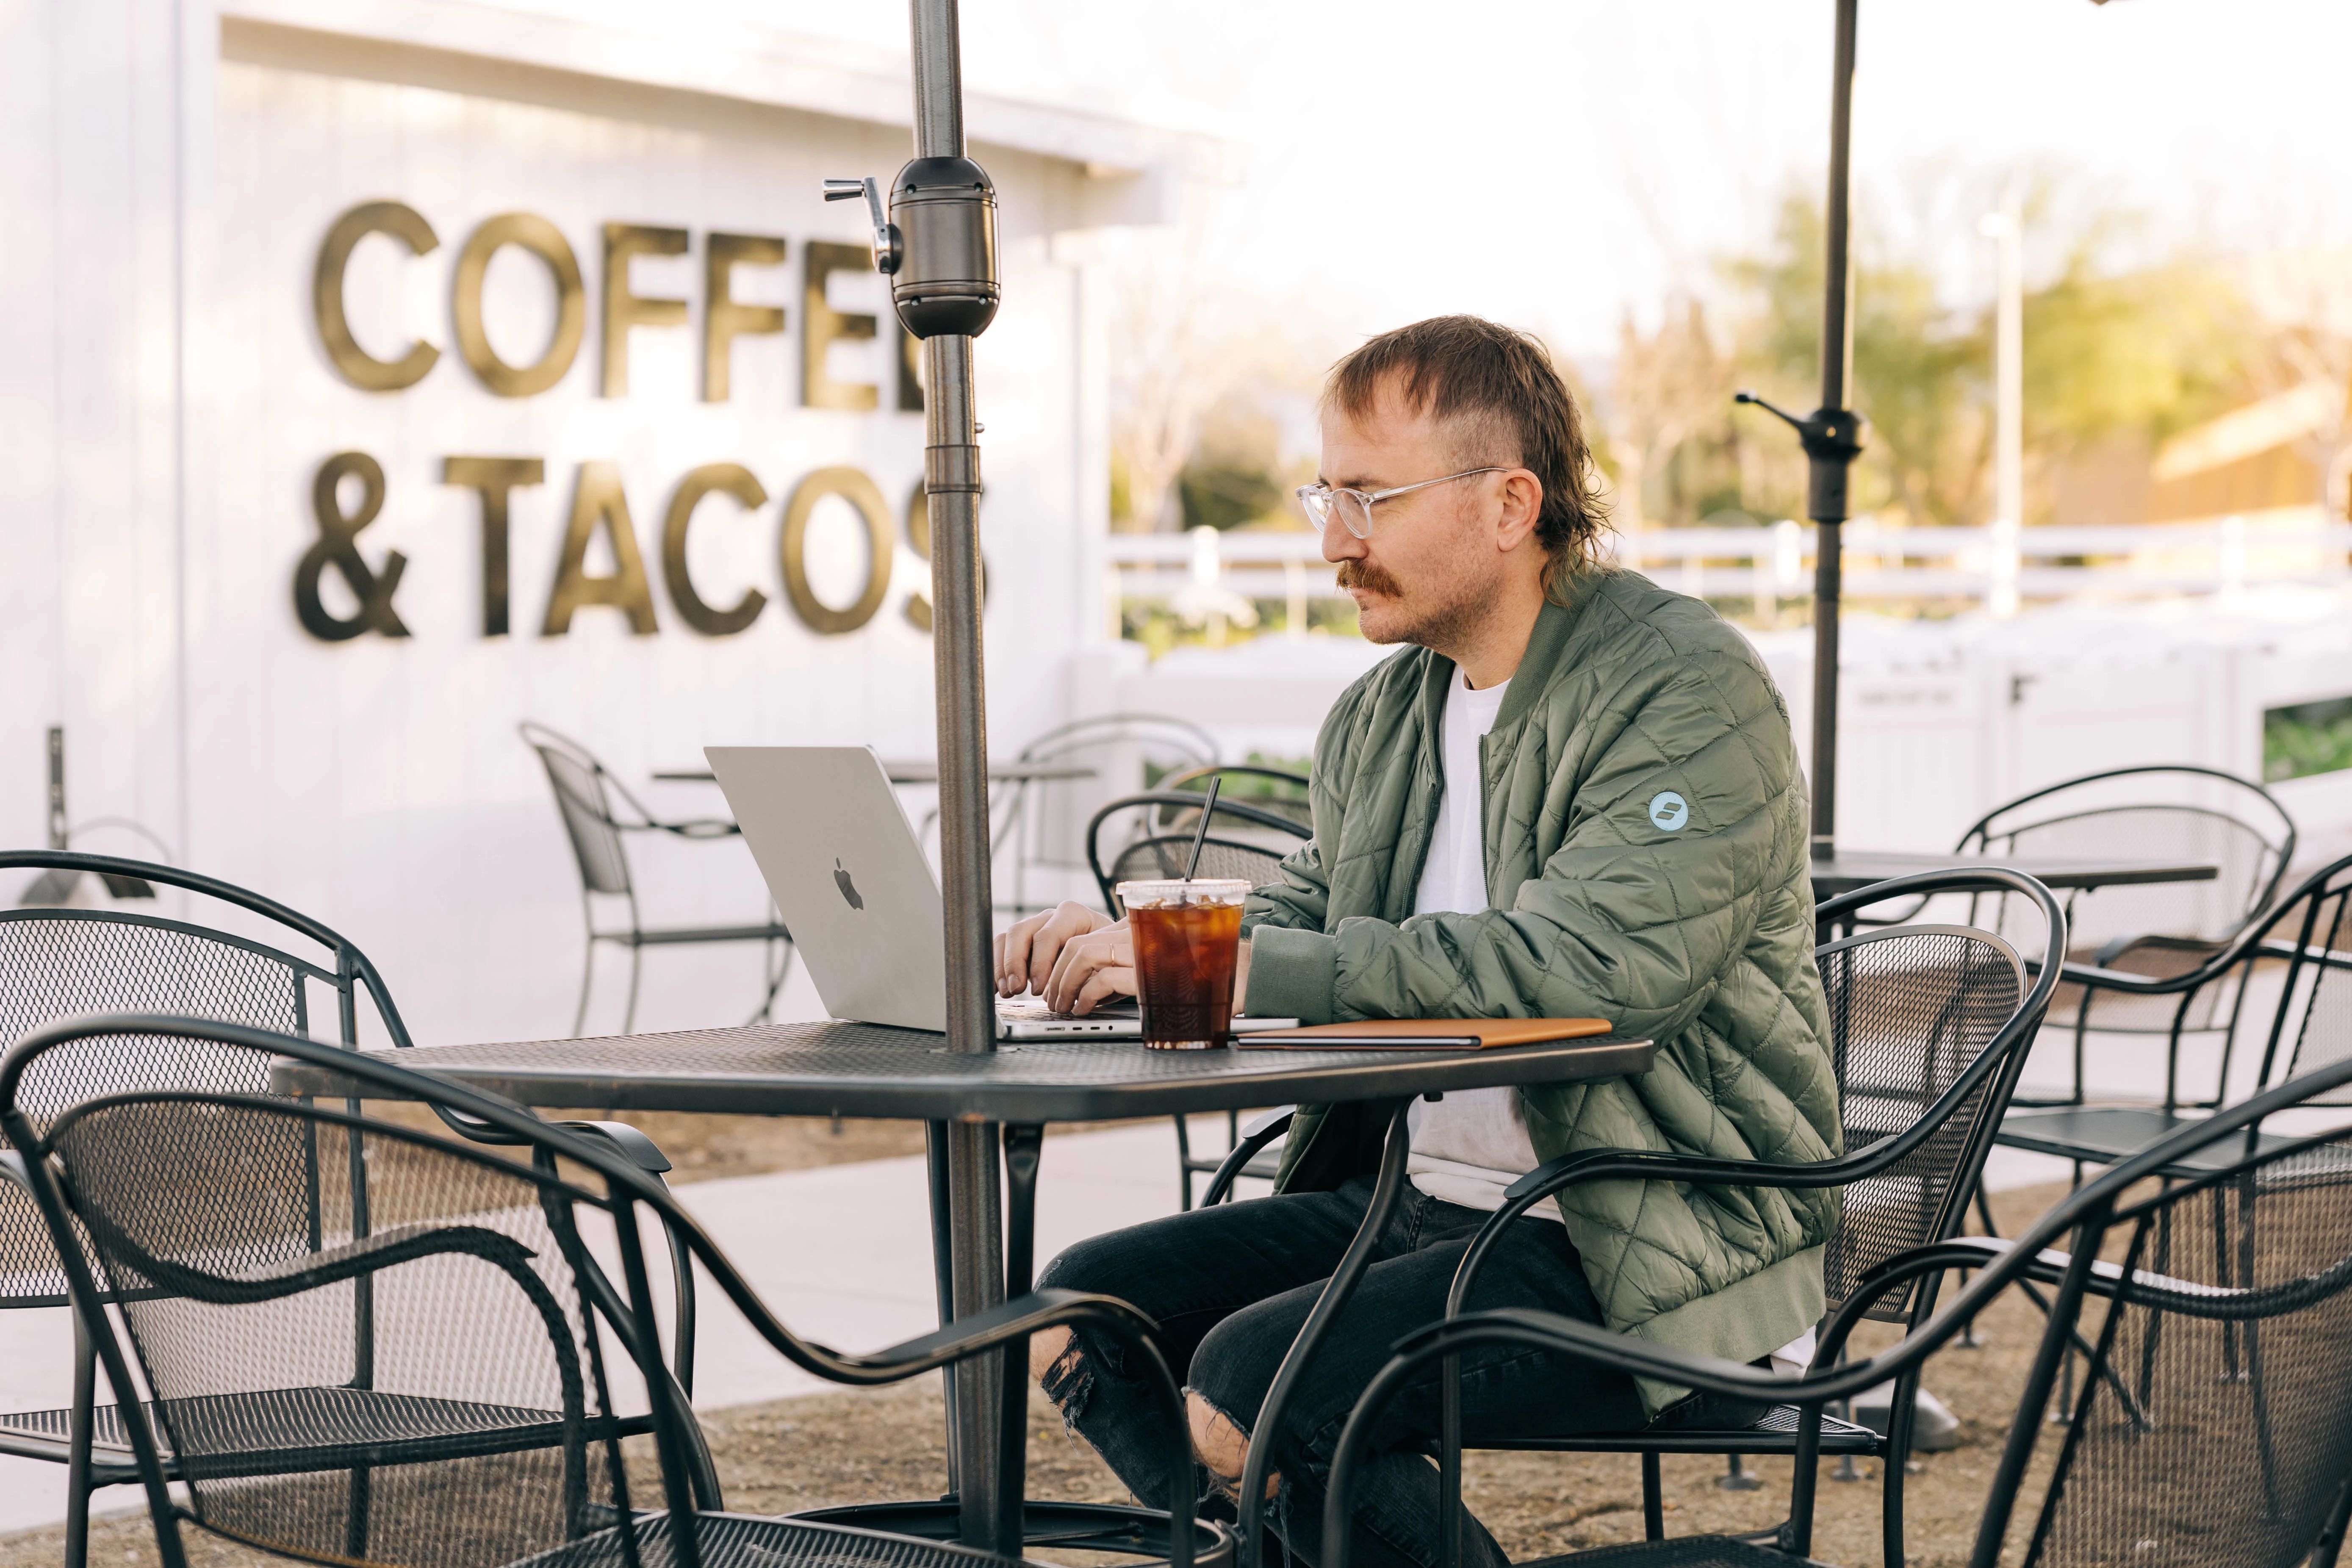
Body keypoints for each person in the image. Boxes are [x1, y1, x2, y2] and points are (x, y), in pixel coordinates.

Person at [995, 315, 1838, 1568]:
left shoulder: (1685, 687)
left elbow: (1591, 972)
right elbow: (1306, 917)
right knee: (1071, 1314)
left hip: (1645, 1225)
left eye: (1368, 498)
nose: (1334, 540)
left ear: (1509, 504)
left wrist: (1238, 966)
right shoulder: (1387, 713)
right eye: (1324, 493)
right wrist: (1141, 950)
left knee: (1246, 1385)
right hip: (1422, 1202)